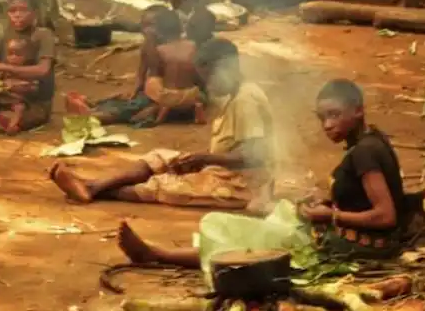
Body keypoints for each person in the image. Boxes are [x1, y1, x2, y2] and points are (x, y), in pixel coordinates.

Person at [111, 79, 410, 270]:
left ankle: (157, 254)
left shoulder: (364, 152)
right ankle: (162, 253)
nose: (327, 125)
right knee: (264, 221)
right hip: (351, 235)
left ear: (358, 111)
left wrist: (330, 217)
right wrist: (326, 200)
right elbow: (363, 199)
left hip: (360, 247)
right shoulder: (369, 141)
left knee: (249, 242)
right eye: (322, 119)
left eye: (334, 115)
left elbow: (386, 216)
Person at [50, 38, 271, 211]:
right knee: (157, 158)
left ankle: (93, 188)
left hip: (242, 185)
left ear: (227, 68)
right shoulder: (236, 94)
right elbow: (231, 146)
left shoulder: (246, 100)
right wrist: (200, 159)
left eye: (210, 77)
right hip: (222, 168)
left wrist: (204, 159)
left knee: (168, 187)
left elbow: (254, 156)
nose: (208, 85)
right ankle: (96, 185)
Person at [70, 7, 204, 127]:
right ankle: (96, 105)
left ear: (162, 28)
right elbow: (142, 76)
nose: (144, 29)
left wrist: (151, 102)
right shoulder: (187, 45)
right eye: (143, 24)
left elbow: (157, 82)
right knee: (127, 99)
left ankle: (94, 115)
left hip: (163, 98)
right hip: (177, 94)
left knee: (129, 109)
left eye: (149, 25)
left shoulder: (159, 49)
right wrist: (133, 92)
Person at [0, 0, 56, 133]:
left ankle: (0, 119)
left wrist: (1, 67)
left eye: (23, 10)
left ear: (34, 13)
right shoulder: (6, 36)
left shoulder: (43, 35)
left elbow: (43, 70)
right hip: (4, 93)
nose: (17, 15)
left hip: (33, 102)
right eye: (12, 11)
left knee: (4, 120)